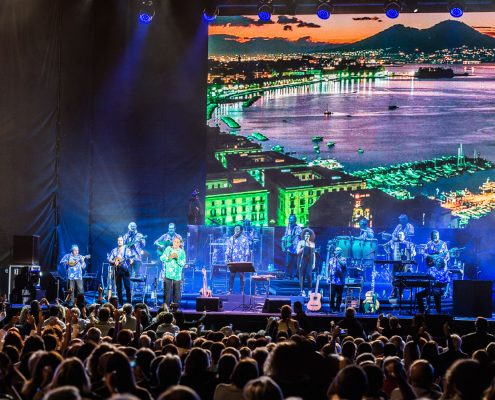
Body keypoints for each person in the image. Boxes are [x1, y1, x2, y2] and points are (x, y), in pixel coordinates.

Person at [416, 248, 449, 314]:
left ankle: (438, 312)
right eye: (437, 262)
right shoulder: (431, 269)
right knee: (418, 295)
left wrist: (446, 291)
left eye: (440, 262)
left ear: (442, 263)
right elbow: (427, 278)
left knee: (436, 293)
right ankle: (421, 311)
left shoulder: (445, 271)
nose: (438, 263)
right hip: (431, 287)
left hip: (440, 288)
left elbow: (447, 282)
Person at [386, 231, 416, 298]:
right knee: (394, 277)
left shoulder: (409, 244)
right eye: (399, 235)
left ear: (404, 236)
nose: (399, 236)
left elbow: (414, 253)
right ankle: (394, 293)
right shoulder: (393, 242)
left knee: (402, 277)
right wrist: (389, 252)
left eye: (401, 235)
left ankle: (401, 293)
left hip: (405, 263)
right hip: (396, 262)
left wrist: (412, 253)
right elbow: (385, 246)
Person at [108, 236, 134, 305]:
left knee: (127, 287)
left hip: (125, 270)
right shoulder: (114, 250)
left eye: (121, 240)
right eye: (118, 240)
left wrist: (131, 260)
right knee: (119, 288)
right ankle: (121, 303)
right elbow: (109, 259)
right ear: (117, 241)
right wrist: (114, 262)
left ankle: (129, 303)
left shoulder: (127, 250)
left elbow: (131, 259)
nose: (120, 241)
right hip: (117, 270)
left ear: (123, 241)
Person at [160, 237, 186, 306]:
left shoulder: (182, 251)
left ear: (180, 243)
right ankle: (166, 308)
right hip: (168, 274)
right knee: (167, 292)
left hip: (177, 275)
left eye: (178, 242)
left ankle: (175, 308)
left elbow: (183, 263)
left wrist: (177, 258)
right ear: (173, 242)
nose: (176, 243)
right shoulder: (168, 249)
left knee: (176, 293)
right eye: (175, 241)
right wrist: (169, 257)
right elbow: (162, 258)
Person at [225, 224, 250, 294]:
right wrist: (228, 258)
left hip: (242, 260)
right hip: (233, 260)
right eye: (235, 229)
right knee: (232, 275)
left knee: (241, 275)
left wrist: (246, 260)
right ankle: (230, 290)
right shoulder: (231, 238)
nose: (236, 230)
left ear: (241, 231)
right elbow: (228, 249)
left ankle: (242, 291)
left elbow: (247, 250)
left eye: (238, 229)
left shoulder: (245, 239)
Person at [281, 214, 302, 280]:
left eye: (292, 219)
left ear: (295, 220)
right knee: (288, 263)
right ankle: (288, 276)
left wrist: (291, 239)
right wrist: (284, 242)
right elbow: (286, 235)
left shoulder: (298, 227)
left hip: (296, 248)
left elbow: (298, 236)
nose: (290, 220)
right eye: (289, 219)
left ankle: (296, 276)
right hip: (289, 249)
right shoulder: (287, 227)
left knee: (296, 264)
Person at [296, 228, 315, 297]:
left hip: (309, 261)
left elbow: (313, 254)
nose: (307, 236)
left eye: (308, 235)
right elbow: (297, 252)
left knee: (309, 275)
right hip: (301, 260)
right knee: (301, 276)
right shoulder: (300, 242)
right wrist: (304, 247)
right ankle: (302, 290)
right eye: (306, 235)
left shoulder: (312, 243)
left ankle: (310, 290)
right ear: (304, 236)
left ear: (310, 236)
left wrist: (314, 263)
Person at [327, 247, 346, 312]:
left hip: (340, 280)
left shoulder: (343, 259)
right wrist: (327, 276)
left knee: (339, 295)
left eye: (338, 250)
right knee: (331, 294)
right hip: (333, 280)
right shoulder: (331, 259)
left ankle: (337, 308)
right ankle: (332, 308)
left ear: (341, 252)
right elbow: (329, 268)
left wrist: (337, 258)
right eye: (336, 250)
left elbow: (343, 265)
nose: (336, 251)